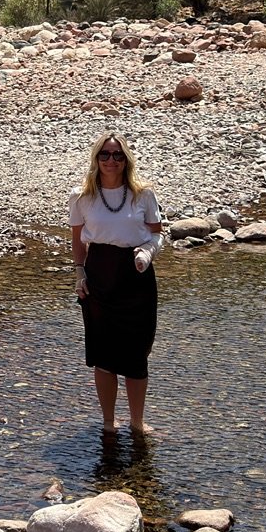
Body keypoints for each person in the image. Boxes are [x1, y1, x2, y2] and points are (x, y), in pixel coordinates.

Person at [68, 133, 166, 435]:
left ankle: (137, 423)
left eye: (118, 155)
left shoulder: (143, 194)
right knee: (104, 355)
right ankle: (109, 423)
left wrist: (148, 252)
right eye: (105, 155)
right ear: (96, 158)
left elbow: (157, 233)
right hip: (99, 276)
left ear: (126, 160)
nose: (111, 161)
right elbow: (77, 242)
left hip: (136, 276)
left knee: (137, 354)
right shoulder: (81, 196)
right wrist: (80, 273)